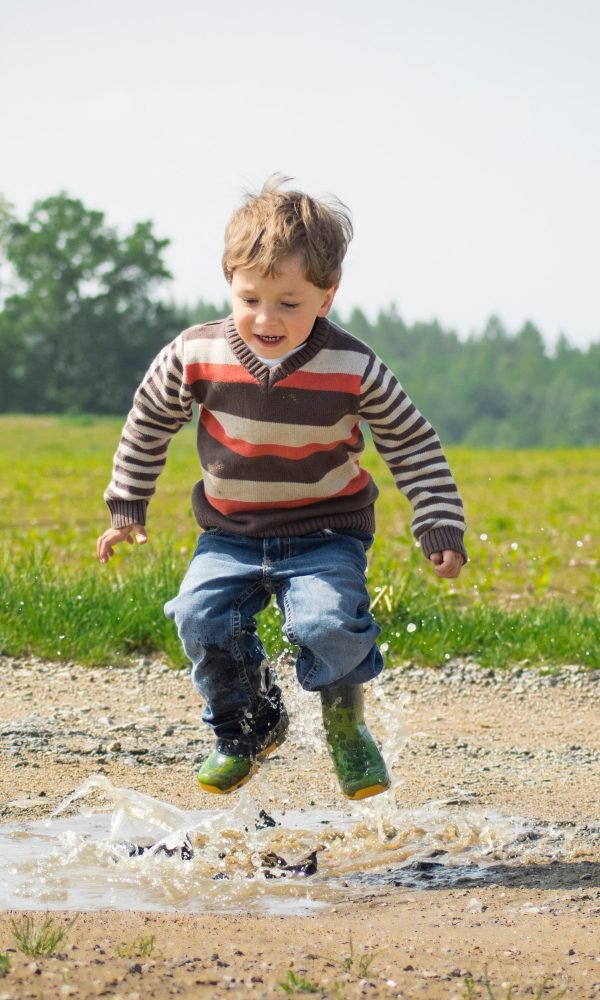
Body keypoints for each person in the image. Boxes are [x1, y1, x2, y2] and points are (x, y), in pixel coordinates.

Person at [97, 176, 466, 801]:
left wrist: (438, 521)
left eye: (289, 303)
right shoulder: (195, 353)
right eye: (251, 299)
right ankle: (247, 726)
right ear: (229, 282)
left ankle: (345, 724)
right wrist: (127, 503)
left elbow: (411, 444)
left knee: (327, 624)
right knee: (199, 617)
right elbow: (149, 420)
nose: (266, 319)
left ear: (327, 295)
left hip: (328, 532)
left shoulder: (354, 367)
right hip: (230, 533)